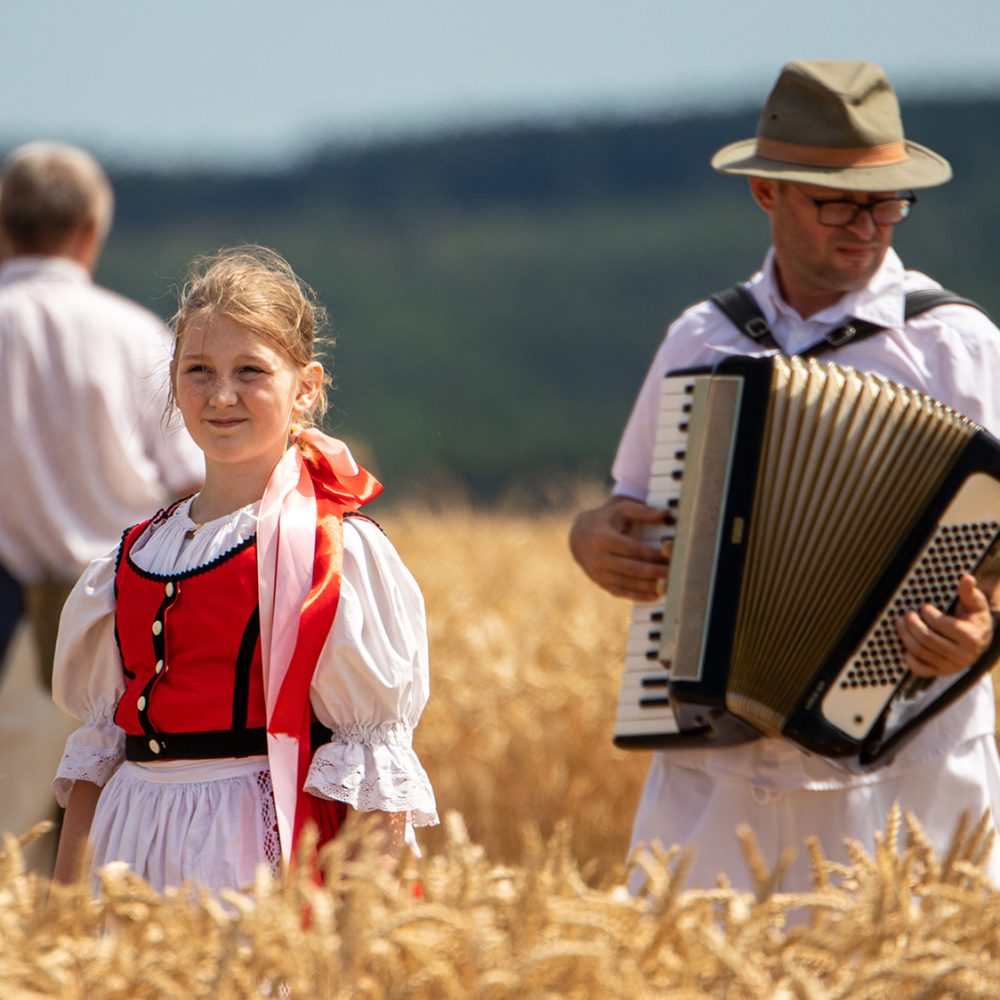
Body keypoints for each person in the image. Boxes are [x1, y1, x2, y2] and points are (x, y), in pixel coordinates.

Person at [569, 60, 1000, 892]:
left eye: (887, 200)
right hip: (719, 777)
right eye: (838, 201)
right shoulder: (702, 338)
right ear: (767, 193)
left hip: (910, 772)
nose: (870, 226)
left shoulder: (958, 344)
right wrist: (590, 538)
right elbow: (629, 514)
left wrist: (981, 638)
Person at [51, 245, 438, 893]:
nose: (221, 394)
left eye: (250, 370)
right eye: (199, 369)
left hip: (250, 848)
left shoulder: (333, 551)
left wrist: (358, 945)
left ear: (305, 387)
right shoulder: (129, 558)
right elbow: (97, 755)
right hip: (128, 844)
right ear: (173, 378)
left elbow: (375, 764)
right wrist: (60, 916)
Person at [0, 141, 203, 872]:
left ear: (3, 225)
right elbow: (193, 482)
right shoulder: (136, 336)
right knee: (111, 855)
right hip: (129, 615)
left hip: (7, 612)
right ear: (91, 231)